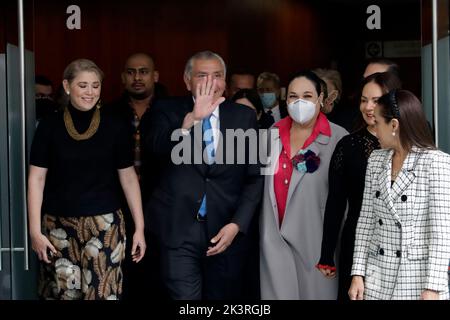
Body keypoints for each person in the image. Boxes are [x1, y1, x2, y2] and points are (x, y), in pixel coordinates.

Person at [144, 50, 263, 300]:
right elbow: (154, 151)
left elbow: (254, 177)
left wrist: (237, 224)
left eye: (217, 75)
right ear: (187, 81)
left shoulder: (244, 117)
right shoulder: (165, 109)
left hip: (225, 230)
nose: (211, 82)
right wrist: (190, 124)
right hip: (179, 230)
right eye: (202, 75)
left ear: (226, 81)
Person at [27, 59, 146, 300]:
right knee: (65, 295)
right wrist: (34, 231)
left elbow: (129, 179)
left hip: (105, 227)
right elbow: (36, 179)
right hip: (58, 227)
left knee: (104, 294)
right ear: (67, 86)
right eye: (83, 85)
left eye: (95, 85)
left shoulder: (115, 125)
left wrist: (140, 228)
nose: (90, 92)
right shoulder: (49, 126)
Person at [349, 89, 450, 300]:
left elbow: (441, 233)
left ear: (394, 125)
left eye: (377, 123)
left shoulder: (435, 162)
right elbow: (366, 221)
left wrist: (433, 287)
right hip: (377, 276)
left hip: (417, 280)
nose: (374, 130)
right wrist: (357, 273)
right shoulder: (376, 159)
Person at [259, 70, 348, 299]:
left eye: (307, 96)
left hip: (316, 244)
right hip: (274, 241)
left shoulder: (339, 138)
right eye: (293, 96)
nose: (300, 102)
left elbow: (346, 200)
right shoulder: (272, 134)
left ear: (321, 98)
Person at [316, 72, 402, 300]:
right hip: (358, 243)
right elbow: (335, 202)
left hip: (402, 245)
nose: (368, 107)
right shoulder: (348, 145)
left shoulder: (409, 144)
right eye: (364, 100)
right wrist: (326, 254)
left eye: (376, 100)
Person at [107, 53, 167, 300]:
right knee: (124, 276)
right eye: (131, 72)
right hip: (118, 206)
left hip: (162, 204)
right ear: (123, 77)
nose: (137, 77)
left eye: (144, 71)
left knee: (160, 277)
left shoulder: (171, 110)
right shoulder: (109, 113)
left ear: (155, 76)